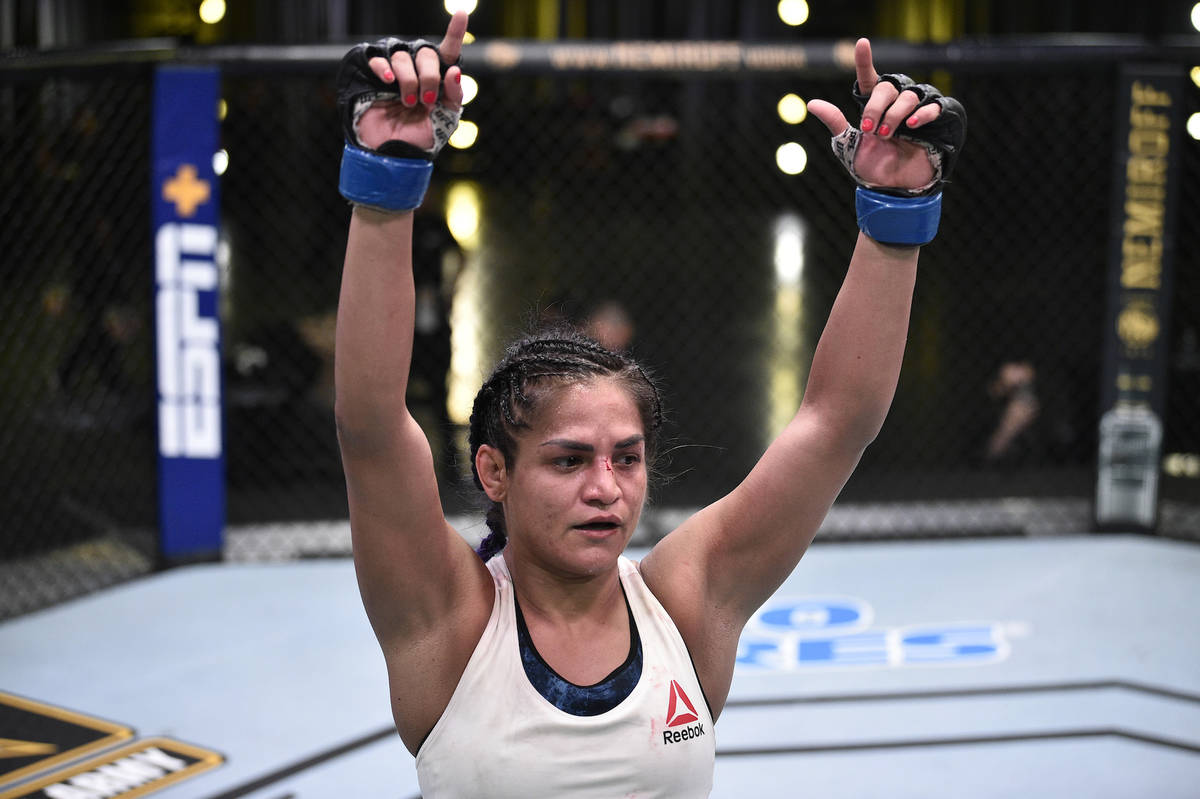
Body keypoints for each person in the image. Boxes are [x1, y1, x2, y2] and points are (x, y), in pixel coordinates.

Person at [333, 12, 965, 797]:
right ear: (494, 471)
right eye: (568, 459)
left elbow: (837, 422)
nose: (607, 488)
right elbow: (369, 424)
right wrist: (385, 182)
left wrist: (895, 219)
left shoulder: (687, 603)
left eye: (625, 458)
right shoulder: (448, 619)